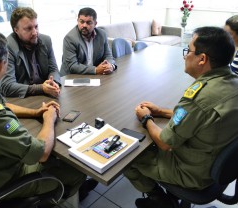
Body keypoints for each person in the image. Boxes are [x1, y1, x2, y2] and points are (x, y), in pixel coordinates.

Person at [0, 28, 87, 203]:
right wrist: (49, 119)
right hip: (8, 179)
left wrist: (36, 112)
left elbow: (1, 105)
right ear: (0, 65)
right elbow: (40, 152)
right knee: (76, 169)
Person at [123, 26, 238, 208]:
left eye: (188, 51)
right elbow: (200, 117)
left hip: (193, 173)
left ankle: (159, 199)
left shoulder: (199, 96)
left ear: (202, 59)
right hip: (216, 162)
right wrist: (161, 111)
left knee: (128, 158)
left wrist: (146, 119)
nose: (185, 56)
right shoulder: (233, 82)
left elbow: (165, 142)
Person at [0, 7, 61, 98]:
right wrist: (41, 88)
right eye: (28, 29)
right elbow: (7, 86)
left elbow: (54, 69)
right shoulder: (7, 47)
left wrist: (53, 83)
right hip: (22, 99)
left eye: (36, 26)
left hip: (45, 95)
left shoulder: (46, 40)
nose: (35, 32)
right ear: (16, 30)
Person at [60, 7, 116, 76]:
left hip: (93, 76)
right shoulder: (70, 38)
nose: (84, 25)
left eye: (89, 23)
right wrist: (95, 70)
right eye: (82, 22)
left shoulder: (102, 35)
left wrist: (110, 65)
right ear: (77, 21)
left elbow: (108, 55)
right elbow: (73, 66)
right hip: (73, 77)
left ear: (95, 24)